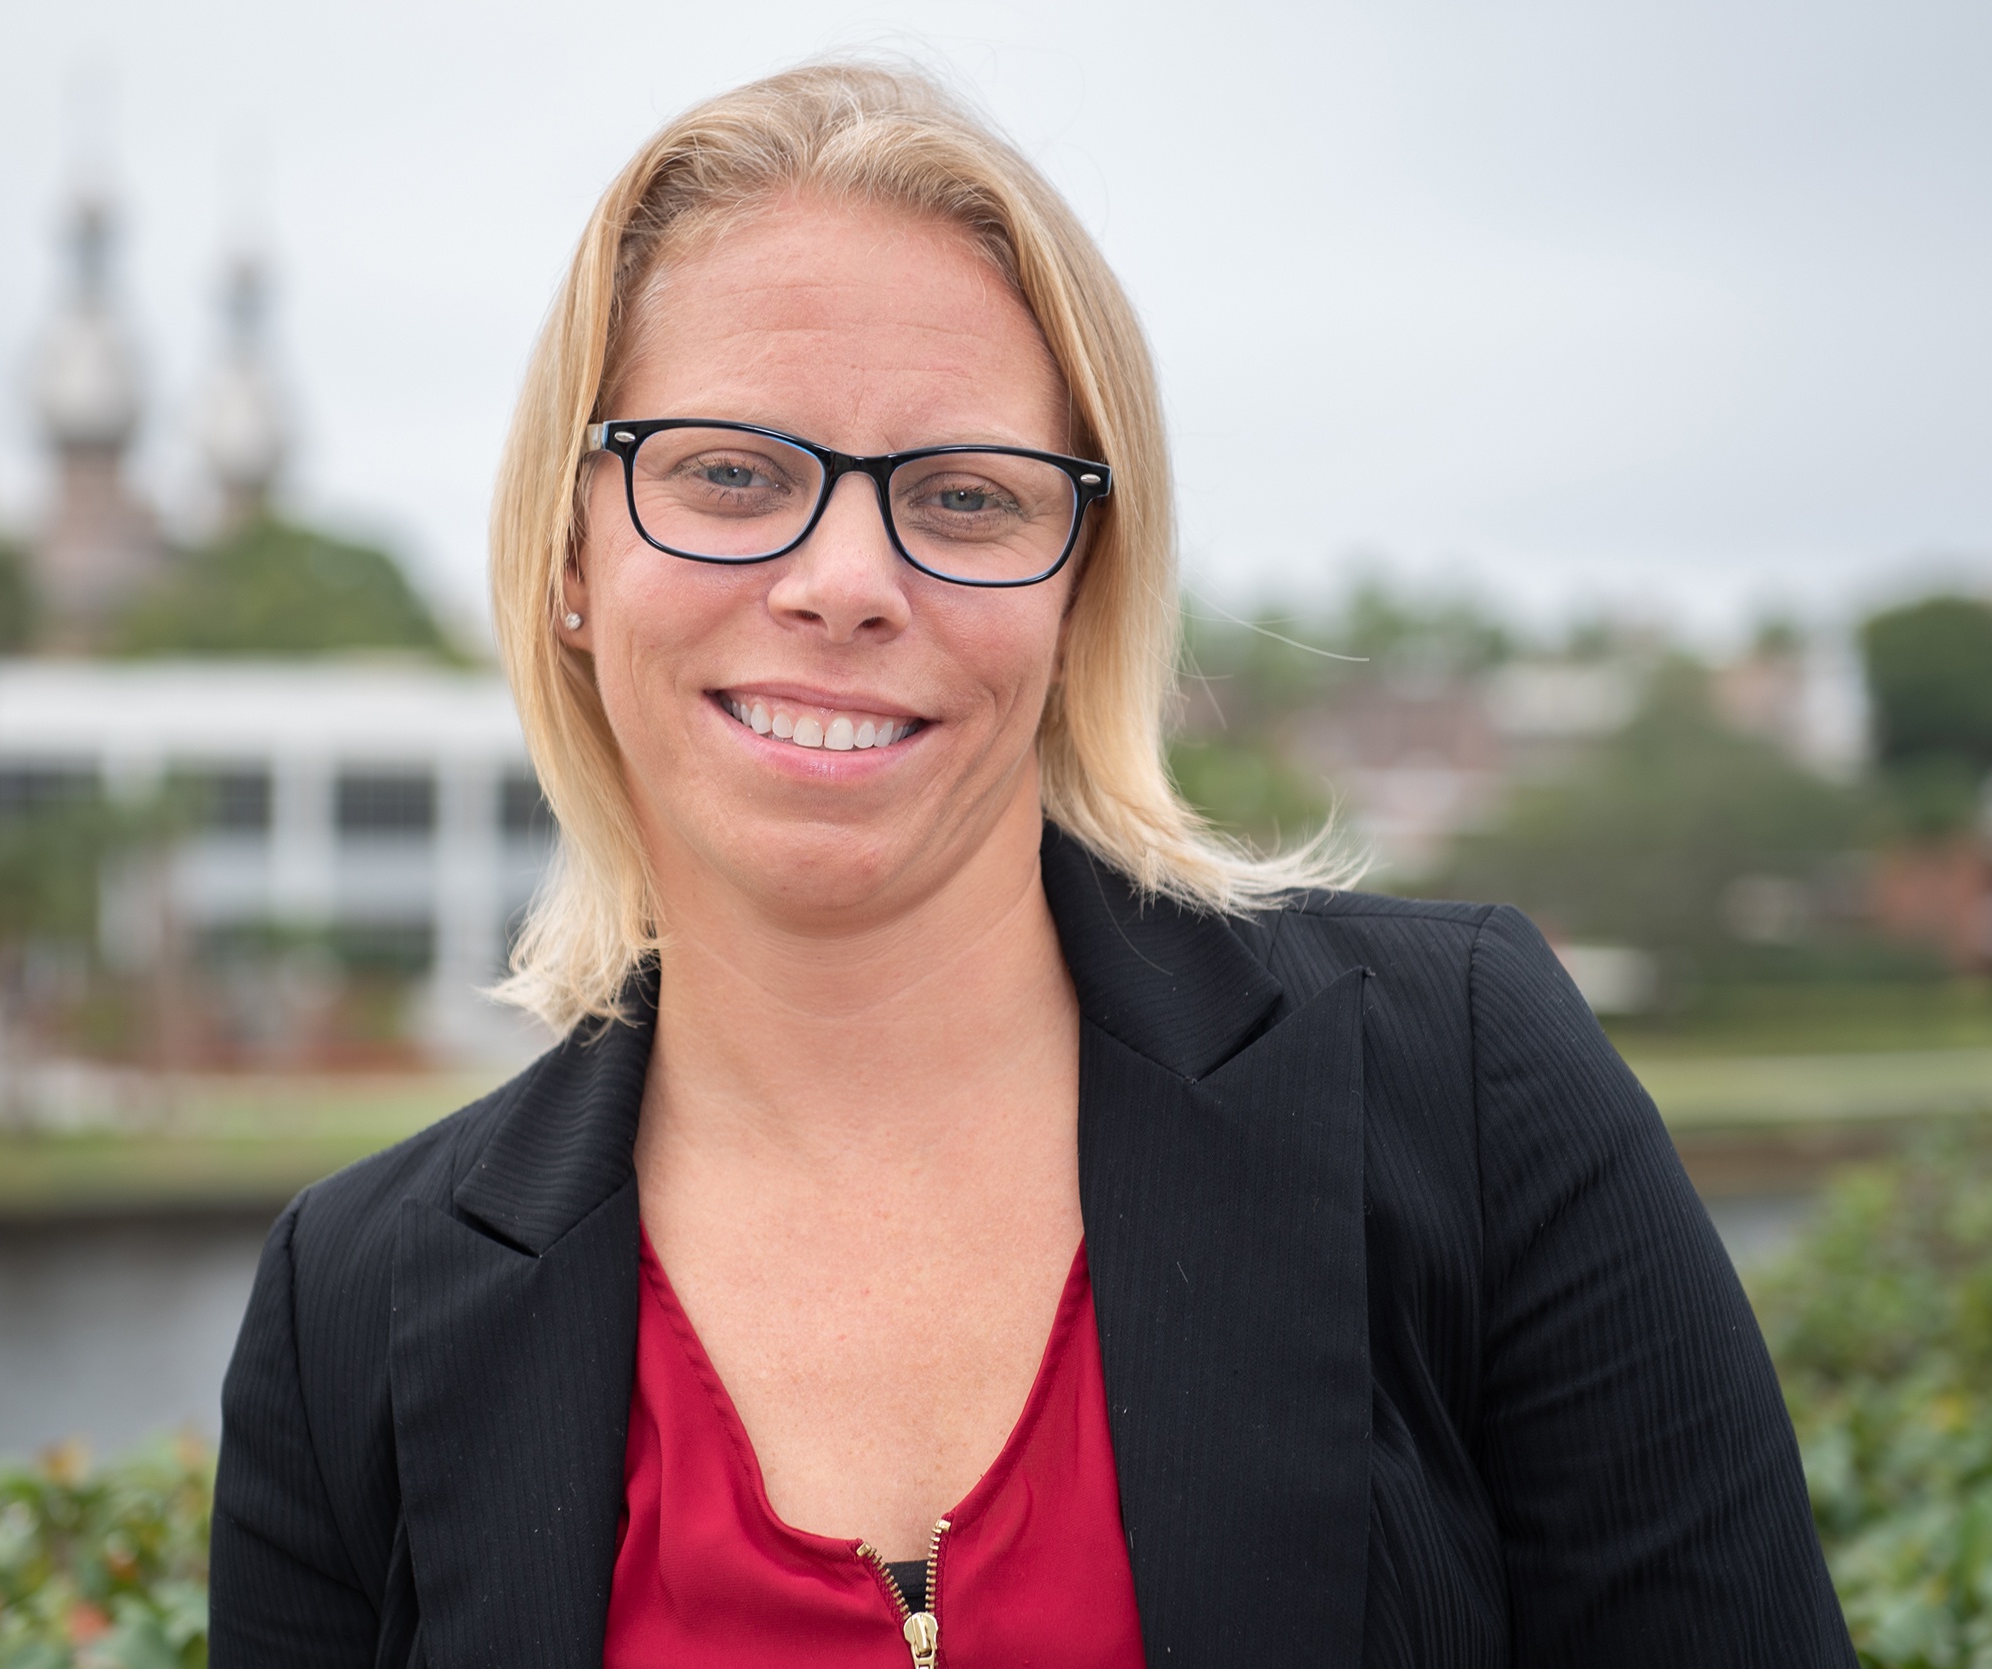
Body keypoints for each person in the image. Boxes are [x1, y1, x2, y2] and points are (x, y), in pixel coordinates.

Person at [211, 62, 1855, 1668]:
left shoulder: (1464, 1083)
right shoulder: (352, 1303)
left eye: (968, 497)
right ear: (572, 553)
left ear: (1083, 592)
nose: (845, 581)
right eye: (729, 471)